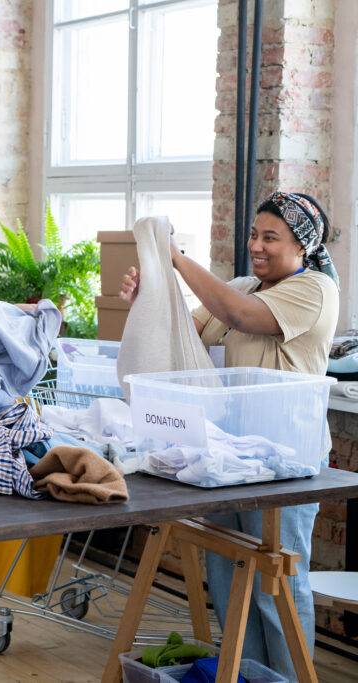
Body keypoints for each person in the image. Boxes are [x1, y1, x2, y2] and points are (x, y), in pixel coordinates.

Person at [121, 191, 339, 678]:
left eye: (270, 237)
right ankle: (249, 673)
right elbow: (185, 332)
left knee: (276, 586)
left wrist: (174, 258)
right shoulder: (244, 286)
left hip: (289, 463)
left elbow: (242, 317)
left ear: (301, 247)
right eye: (253, 234)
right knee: (229, 574)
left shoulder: (315, 290)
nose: (256, 246)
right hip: (228, 459)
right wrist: (150, 300)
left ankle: (288, 676)